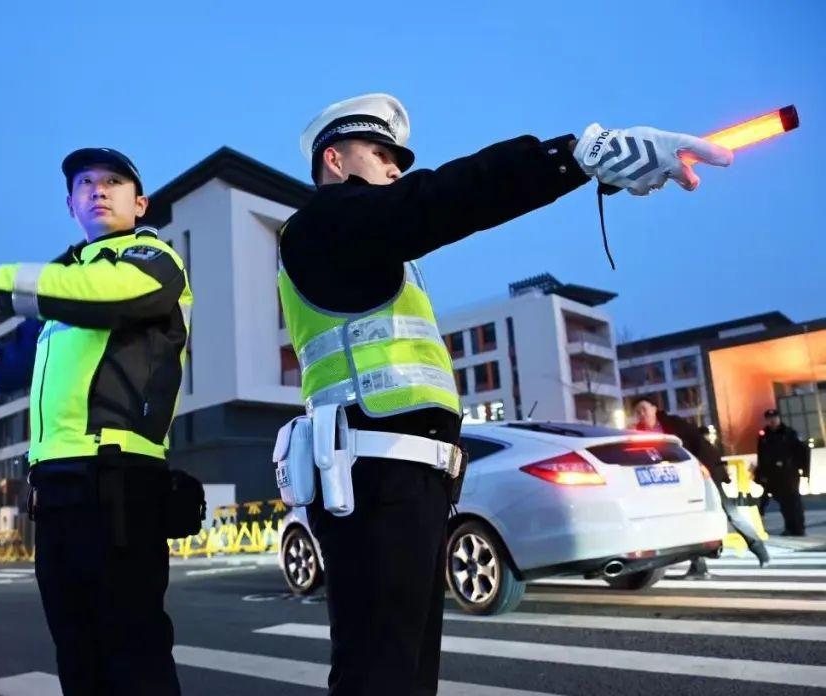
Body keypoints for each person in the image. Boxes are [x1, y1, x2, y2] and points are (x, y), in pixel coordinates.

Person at [278, 92, 733, 695]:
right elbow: (442, 198)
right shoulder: (321, 226)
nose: (395, 169)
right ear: (334, 160)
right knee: (380, 674)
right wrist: (572, 156)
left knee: (405, 674)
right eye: (381, 154)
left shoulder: (373, 252)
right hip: (371, 479)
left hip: (407, 481)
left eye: (399, 161)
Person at [0, 148, 193, 695]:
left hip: (120, 482)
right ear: (70, 205)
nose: (98, 190)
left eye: (114, 181)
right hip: (55, 489)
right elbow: (17, 359)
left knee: (134, 657)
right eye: (85, 183)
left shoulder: (152, 260)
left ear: (140, 203)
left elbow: (104, 296)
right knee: (77, 654)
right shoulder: (64, 285)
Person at [632, 396, 769, 575]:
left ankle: (758, 547)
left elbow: (698, 445)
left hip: (704, 471)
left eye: (644, 409)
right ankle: (698, 566)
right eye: (637, 412)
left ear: (654, 408)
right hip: (676, 481)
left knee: (728, 511)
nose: (641, 414)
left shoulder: (673, 424)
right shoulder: (639, 434)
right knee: (689, 520)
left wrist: (707, 469)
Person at [757, 408, 809, 536]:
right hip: (773, 474)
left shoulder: (789, 433)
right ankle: (789, 527)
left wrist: (804, 470)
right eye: (769, 418)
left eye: (774, 418)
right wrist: (761, 474)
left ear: (779, 418)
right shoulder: (764, 436)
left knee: (794, 501)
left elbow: (803, 451)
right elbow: (761, 456)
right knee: (784, 503)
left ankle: (799, 528)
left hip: (789, 472)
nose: (772, 421)